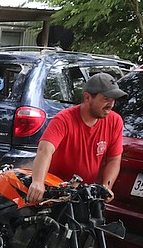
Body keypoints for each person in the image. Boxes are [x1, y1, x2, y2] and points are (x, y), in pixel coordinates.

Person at [26, 72, 127, 203]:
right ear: (87, 98)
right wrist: (38, 182)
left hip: (86, 196)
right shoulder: (63, 120)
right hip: (56, 192)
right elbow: (44, 150)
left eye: (113, 100)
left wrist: (106, 187)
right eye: (106, 99)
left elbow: (113, 159)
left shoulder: (115, 121)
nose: (110, 105)